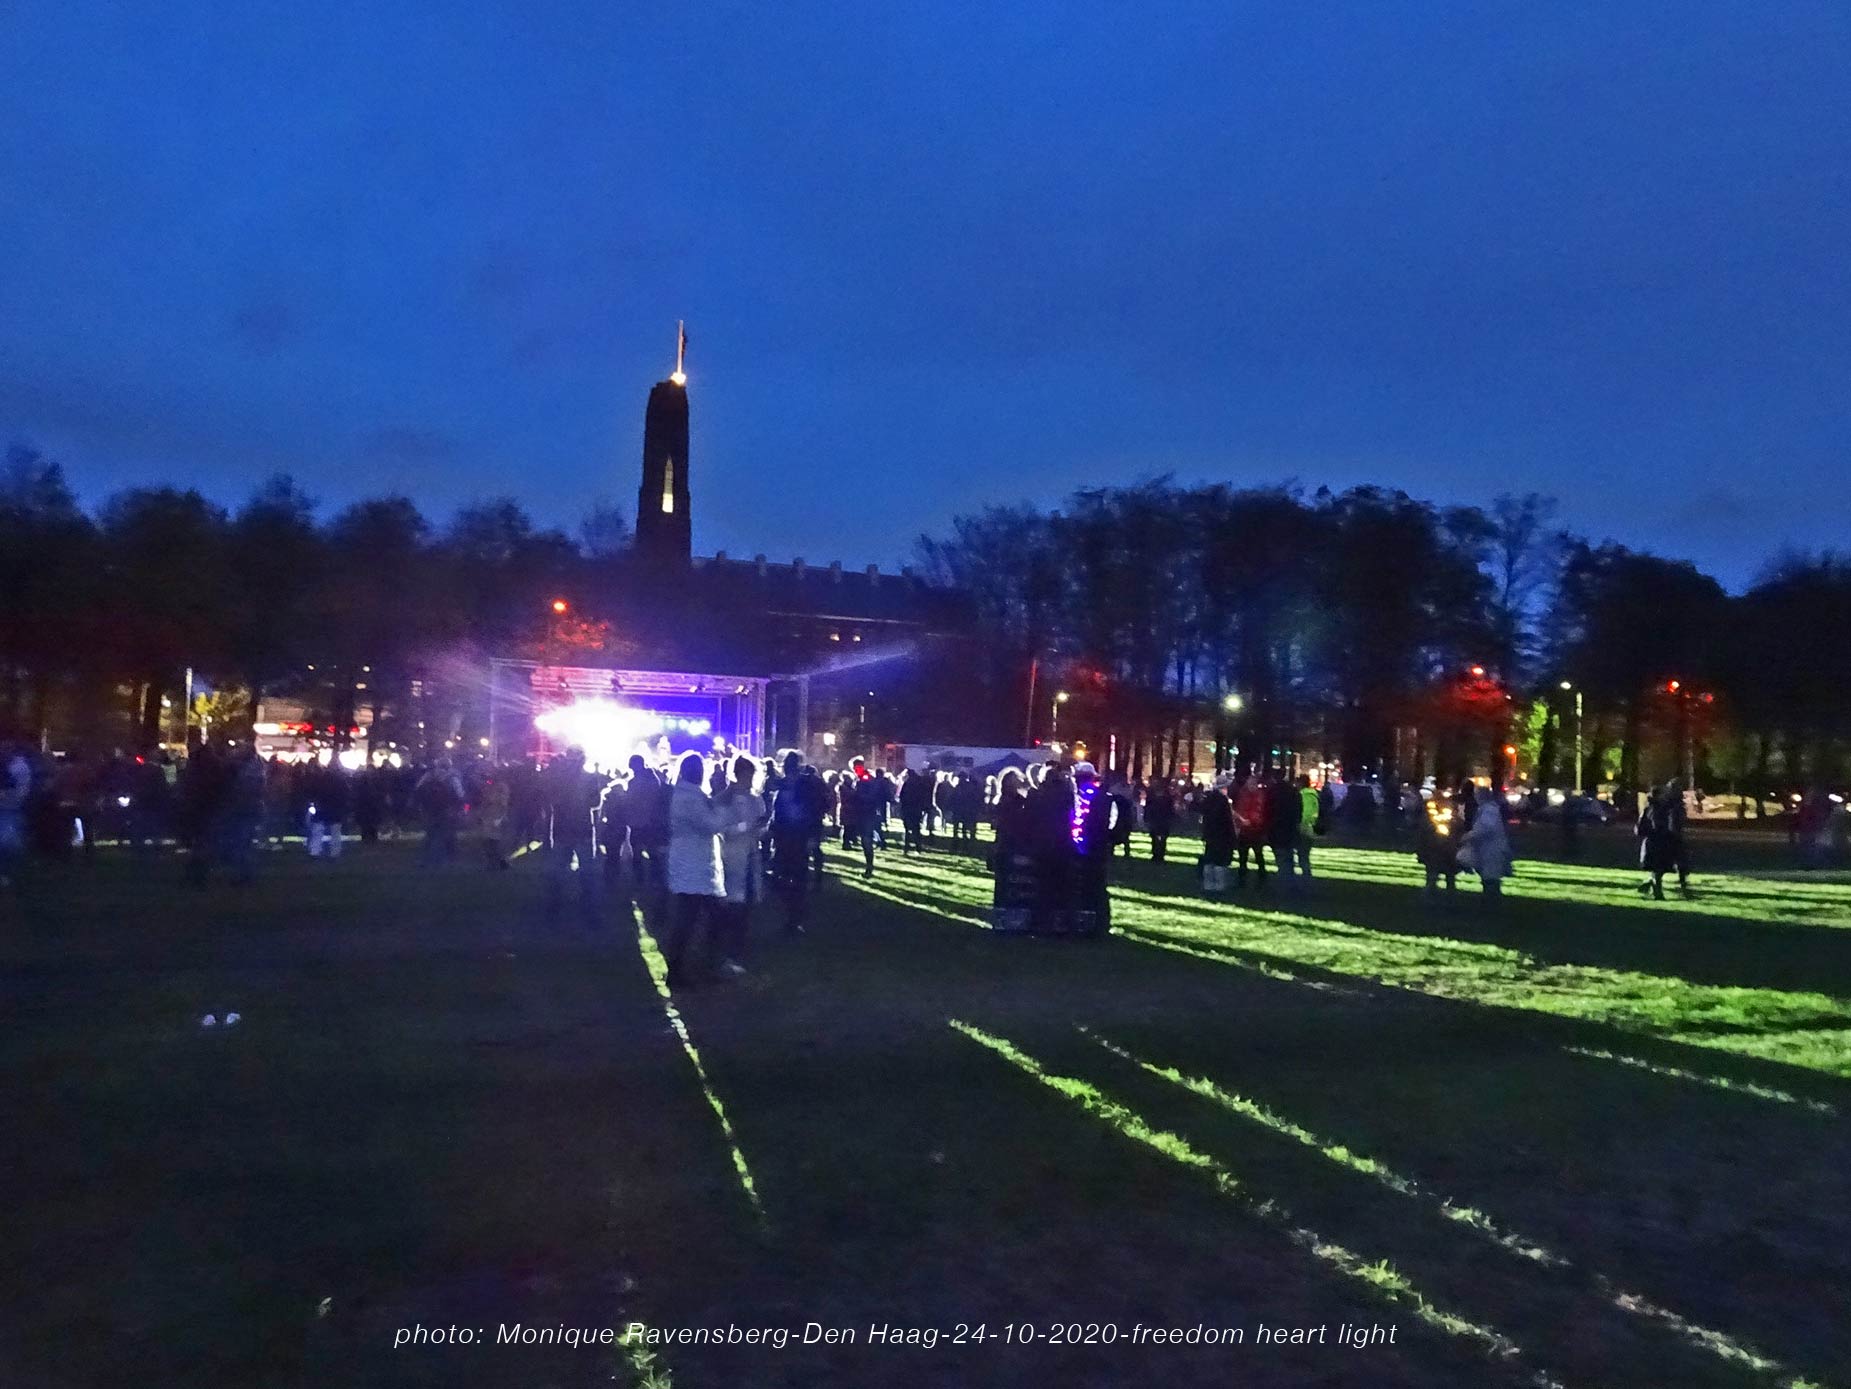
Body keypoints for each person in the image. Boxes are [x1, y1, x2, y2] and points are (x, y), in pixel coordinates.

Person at [663, 751, 726, 986]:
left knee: (692, 919)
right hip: (693, 867)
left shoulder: (686, 794)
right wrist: (722, 810)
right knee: (694, 920)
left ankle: (688, 967)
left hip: (691, 865)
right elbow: (711, 824)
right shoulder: (690, 798)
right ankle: (684, 969)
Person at [714, 754, 770, 974]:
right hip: (731, 857)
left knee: (745, 905)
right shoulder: (724, 800)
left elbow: (758, 827)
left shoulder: (756, 799)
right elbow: (722, 830)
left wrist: (762, 829)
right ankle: (726, 953)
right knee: (731, 906)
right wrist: (747, 826)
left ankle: (738, 949)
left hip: (750, 856)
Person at [1457, 786, 1513, 899]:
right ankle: (1490, 900)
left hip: (1491, 849)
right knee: (1489, 877)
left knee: (1490, 878)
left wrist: (1469, 836)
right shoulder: (1487, 809)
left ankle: (1491, 901)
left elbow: (1486, 828)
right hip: (1488, 848)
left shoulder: (1489, 810)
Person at [1636, 781, 1688, 899]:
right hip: (1658, 840)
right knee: (1659, 868)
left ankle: (1651, 884)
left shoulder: (1656, 807)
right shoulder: (1656, 808)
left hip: (1659, 840)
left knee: (1661, 868)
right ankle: (1657, 893)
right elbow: (1657, 824)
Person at [414, 758, 465, 865]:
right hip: (448, 809)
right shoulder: (453, 777)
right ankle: (449, 858)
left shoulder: (429, 775)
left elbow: (418, 789)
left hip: (429, 809)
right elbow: (460, 794)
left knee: (430, 834)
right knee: (449, 834)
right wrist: (461, 809)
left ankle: (426, 858)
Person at [0, 738, 32, 889]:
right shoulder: (7, 767)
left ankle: (6, 874)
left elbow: (12, 789)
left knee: (9, 843)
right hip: (9, 808)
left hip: (9, 809)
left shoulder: (16, 767)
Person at [1414, 792, 1459, 898]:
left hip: (1445, 848)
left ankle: (1446, 894)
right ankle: (1433, 892)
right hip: (1435, 848)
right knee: (1435, 872)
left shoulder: (1447, 815)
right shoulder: (1431, 814)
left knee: (1445, 873)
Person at [1264, 771, 1303, 889]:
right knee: (1289, 855)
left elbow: (1267, 810)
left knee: (1280, 856)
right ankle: (1290, 881)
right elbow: (1298, 809)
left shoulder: (1272, 791)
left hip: (1276, 827)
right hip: (1290, 826)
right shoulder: (1293, 791)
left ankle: (1284, 881)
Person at [1198, 774, 1236, 893]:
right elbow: (1227, 820)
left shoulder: (1208, 798)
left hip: (1209, 833)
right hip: (1222, 834)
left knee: (1209, 859)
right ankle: (1219, 886)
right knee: (1220, 860)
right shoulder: (1223, 801)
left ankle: (1208, 885)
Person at [306, 759, 350, 859]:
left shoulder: (321, 778)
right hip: (335, 807)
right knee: (335, 831)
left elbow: (314, 791)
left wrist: (314, 802)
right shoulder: (340, 779)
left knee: (318, 830)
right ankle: (334, 852)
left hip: (322, 807)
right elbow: (345, 794)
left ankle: (315, 851)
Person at [1234, 773, 1270, 886]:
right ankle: (1243, 879)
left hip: (1254, 829)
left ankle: (1260, 878)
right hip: (1247, 829)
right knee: (1243, 856)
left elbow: (1259, 810)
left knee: (1257, 855)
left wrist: (1250, 821)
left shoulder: (1257, 795)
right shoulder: (1245, 794)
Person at [898, 765, 933, 854]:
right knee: (916, 829)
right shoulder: (919, 784)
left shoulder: (907, 783)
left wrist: (902, 806)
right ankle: (917, 847)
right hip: (916, 809)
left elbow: (902, 796)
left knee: (907, 829)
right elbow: (923, 796)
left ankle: (907, 847)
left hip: (908, 808)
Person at [1294, 773, 1321, 881]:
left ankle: (1306, 878)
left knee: (1303, 855)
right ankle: (1306, 877)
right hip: (1309, 828)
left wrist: (1300, 823)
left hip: (1304, 828)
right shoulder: (1313, 795)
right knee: (1304, 855)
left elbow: (1306, 813)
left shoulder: (1304, 795)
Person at [1144, 778, 1176, 864]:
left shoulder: (1153, 797)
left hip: (1158, 819)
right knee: (1159, 838)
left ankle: (1157, 854)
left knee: (1157, 838)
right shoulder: (1167, 798)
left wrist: (1147, 818)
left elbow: (1148, 808)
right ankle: (1159, 854)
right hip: (1161, 820)